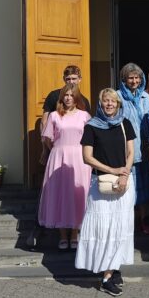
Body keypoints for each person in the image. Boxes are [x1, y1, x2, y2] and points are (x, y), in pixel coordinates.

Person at [75, 89, 136, 296]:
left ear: (118, 104)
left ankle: (112, 269)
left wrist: (125, 174)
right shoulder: (91, 126)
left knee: (120, 227)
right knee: (104, 229)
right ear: (100, 103)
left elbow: (131, 153)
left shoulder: (124, 123)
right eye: (105, 101)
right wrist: (113, 170)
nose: (109, 104)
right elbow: (87, 157)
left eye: (113, 101)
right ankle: (106, 276)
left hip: (123, 182)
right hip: (101, 183)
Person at [38, 86, 91, 249]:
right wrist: (58, 148)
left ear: (76, 98)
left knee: (77, 194)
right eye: (65, 95)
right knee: (60, 194)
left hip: (79, 158)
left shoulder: (85, 115)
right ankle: (62, 235)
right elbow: (48, 138)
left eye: (71, 95)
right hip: (58, 156)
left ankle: (75, 233)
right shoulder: (54, 116)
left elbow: (90, 137)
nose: (68, 98)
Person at [118, 62, 149, 235]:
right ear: (124, 80)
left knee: (145, 191)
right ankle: (128, 224)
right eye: (130, 78)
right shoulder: (118, 96)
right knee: (128, 191)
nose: (134, 81)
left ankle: (144, 221)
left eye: (136, 78)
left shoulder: (146, 97)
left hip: (145, 149)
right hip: (127, 151)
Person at [41, 65, 91, 130]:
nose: (71, 82)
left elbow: (87, 125)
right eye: (68, 79)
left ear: (80, 79)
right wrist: (45, 138)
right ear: (64, 79)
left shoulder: (84, 100)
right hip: (57, 138)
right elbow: (44, 121)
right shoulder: (54, 95)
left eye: (74, 79)